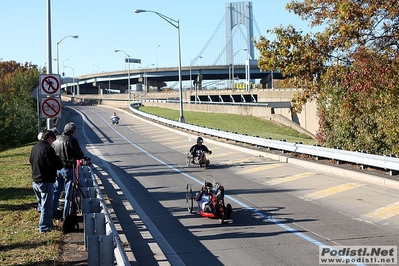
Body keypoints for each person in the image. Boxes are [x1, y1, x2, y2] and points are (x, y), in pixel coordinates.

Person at [29, 130, 63, 233]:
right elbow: (56, 165)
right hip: (46, 180)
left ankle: (46, 223)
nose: (53, 143)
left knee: (42, 205)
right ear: (50, 138)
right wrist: (58, 159)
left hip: (35, 180)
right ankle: (44, 227)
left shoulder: (35, 147)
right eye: (53, 140)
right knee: (46, 206)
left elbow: (30, 160)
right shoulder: (48, 149)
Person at [52, 122, 85, 220]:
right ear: (73, 132)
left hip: (57, 169)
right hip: (68, 169)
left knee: (56, 192)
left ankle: (53, 213)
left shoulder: (56, 140)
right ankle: (66, 216)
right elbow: (79, 155)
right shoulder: (72, 141)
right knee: (69, 194)